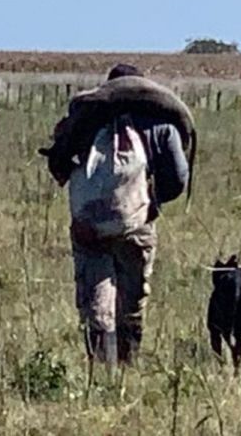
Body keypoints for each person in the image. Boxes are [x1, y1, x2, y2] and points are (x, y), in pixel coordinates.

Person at [48, 64, 191, 366]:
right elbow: (178, 179)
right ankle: (128, 367)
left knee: (96, 303)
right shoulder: (161, 127)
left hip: (90, 228)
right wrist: (154, 202)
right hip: (136, 225)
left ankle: (102, 373)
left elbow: (58, 163)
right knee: (132, 299)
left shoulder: (85, 121)